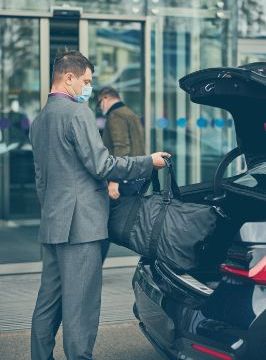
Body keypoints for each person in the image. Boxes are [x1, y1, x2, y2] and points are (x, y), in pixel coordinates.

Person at [29, 50, 169, 360]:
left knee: (48, 302)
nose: (88, 88)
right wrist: (148, 162)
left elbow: (41, 180)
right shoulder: (77, 114)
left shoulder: (39, 121)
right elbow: (102, 164)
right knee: (81, 305)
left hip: (53, 224)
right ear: (69, 78)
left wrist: (54, 210)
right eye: (87, 81)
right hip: (82, 227)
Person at [97, 86, 146, 260]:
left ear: (106, 98)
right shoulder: (130, 113)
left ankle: (94, 266)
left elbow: (121, 147)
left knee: (104, 222)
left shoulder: (115, 115)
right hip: (135, 176)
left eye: (99, 103)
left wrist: (114, 180)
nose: (100, 107)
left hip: (122, 178)